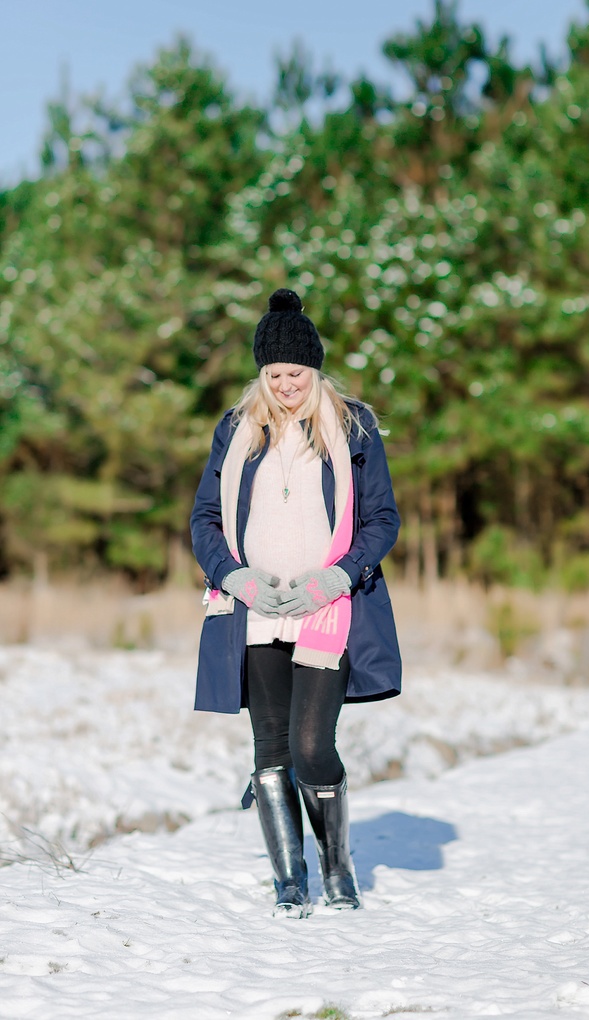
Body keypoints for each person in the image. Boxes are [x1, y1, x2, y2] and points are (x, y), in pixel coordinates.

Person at [190, 288, 401, 918]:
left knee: (312, 747)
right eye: (275, 373)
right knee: (271, 749)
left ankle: (338, 869)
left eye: (297, 373)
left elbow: (381, 518)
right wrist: (235, 577)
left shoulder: (355, 427)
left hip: (325, 606)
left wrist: (339, 577)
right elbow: (205, 518)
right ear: (261, 373)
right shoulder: (236, 430)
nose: (285, 384)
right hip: (256, 608)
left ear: (315, 369)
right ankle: (290, 881)